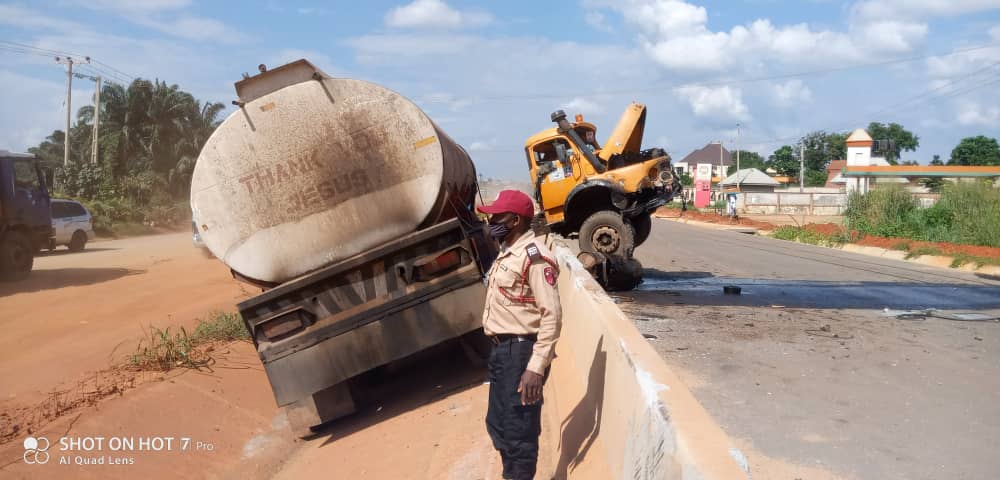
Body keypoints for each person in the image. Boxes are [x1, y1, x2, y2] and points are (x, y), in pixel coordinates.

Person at [477, 189, 562, 480]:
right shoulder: (506, 252)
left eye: (497, 216)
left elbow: (551, 315)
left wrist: (536, 368)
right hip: (501, 352)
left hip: (522, 353)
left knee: (519, 432)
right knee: (498, 425)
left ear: (514, 220)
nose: (491, 220)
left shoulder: (535, 258)